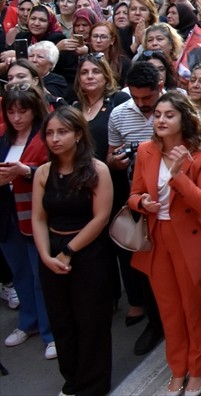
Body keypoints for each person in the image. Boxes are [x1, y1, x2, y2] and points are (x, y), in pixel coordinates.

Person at [127, 90, 201, 396]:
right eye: (157, 115)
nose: (160, 120)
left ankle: (197, 369)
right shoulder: (146, 150)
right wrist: (141, 202)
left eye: (168, 115)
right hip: (156, 236)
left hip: (189, 239)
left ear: (184, 118)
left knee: (193, 306)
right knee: (168, 308)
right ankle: (177, 369)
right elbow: (132, 195)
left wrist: (177, 176)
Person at [30, 106, 114, 396]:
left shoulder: (97, 169)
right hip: (52, 253)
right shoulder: (43, 172)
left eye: (62, 132)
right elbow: (39, 218)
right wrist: (45, 255)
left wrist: (68, 251)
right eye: (50, 133)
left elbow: (100, 217)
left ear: (78, 134)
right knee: (62, 322)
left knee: (91, 321)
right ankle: (72, 380)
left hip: (88, 254)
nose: (54, 139)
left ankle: (93, 385)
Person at [106, 60, 166, 354]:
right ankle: (155, 322)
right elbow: (109, 156)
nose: (142, 104)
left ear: (161, 88)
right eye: (136, 97)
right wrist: (115, 163)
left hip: (172, 202)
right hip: (137, 203)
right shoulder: (118, 114)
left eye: (148, 98)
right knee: (145, 267)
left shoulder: (175, 111)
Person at [0, 85, 55, 359]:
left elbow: (55, 170)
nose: (16, 118)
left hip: (35, 215)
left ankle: (50, 331)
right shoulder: (3, 137)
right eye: (11, 112)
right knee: (20, 272)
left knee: (40, 276)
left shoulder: (46, 135)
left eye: (22, 111)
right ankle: (28, 322)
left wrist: (26, 171)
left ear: (34, 109)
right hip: (7, 215)